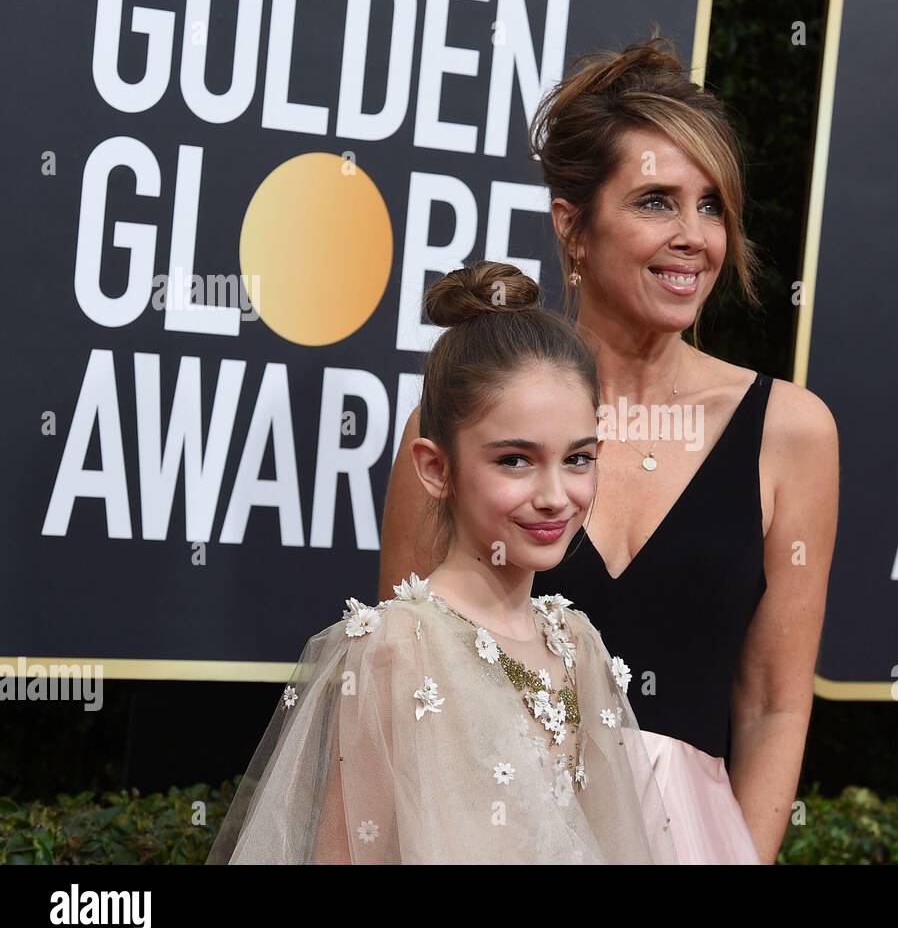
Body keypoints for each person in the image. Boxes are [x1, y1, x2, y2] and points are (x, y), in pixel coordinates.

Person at [378, 37, 840, 864]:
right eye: (657, 201)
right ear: (573, 226)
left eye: (711, 206)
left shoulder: (789, 430)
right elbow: (406, 682)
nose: (694, 236)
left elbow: (774, 701)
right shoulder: (470, 416)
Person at [206, 263, 677, 864]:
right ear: (435, 468)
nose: (556, 494)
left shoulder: (576, 642)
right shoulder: (397, 647)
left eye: (578, 459)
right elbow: (347, 853)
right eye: (515, 460)